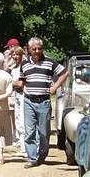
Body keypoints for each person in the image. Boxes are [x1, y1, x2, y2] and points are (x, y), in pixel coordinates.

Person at [18, 36, 68, 168]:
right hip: (29, 101)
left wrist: (55, 87)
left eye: (39, 48)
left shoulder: (49, 62)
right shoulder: (24, 64)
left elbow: (64, 73)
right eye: (34, 49)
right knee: (29, 132)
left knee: (44, 132)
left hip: (44, 102)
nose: (37, 51)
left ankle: (43, 154)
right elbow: (22, 81)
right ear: (29, 49)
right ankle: (32, 158)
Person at [10, 45, 26, 156]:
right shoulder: (14, 67)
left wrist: (11, 84)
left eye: (17, 54)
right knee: (18, 120)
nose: (15, 57)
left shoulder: (24, 67)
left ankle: (25, 148)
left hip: (24, 95)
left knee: (23, 121)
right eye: (13, 54)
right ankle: (22, 146)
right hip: (17, 95)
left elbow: (21, 83)